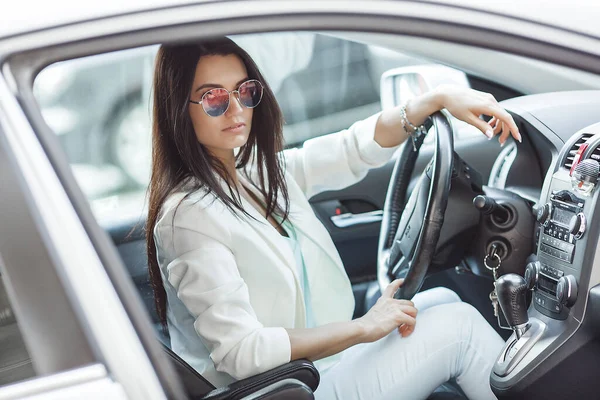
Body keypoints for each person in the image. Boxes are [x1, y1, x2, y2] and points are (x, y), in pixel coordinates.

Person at [146, 37, 520, 400]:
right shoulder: (188, 217)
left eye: (245, 91)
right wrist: (364, 327)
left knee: (440, 300)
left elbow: (351, 149)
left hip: (314, 370)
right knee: (460, 329)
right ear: (179, 107)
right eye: (213, 98)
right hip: (285, 389)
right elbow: (243, 353)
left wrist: (433, 101)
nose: (236, 109)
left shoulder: (252, 173)